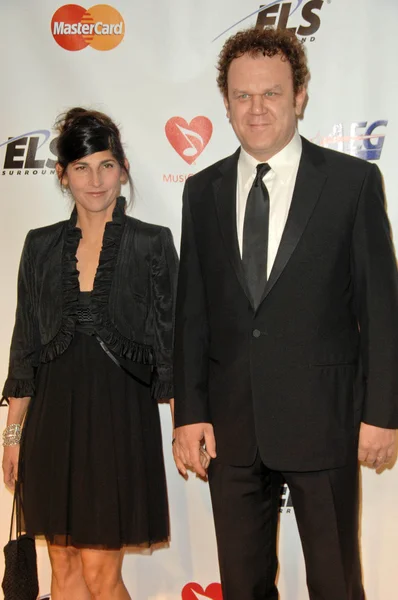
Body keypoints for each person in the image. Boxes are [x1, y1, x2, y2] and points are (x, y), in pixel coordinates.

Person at [172, 27, 398, 600]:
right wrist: (188, 412)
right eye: (242, 96)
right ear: (225, 103)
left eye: (271, 93)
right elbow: (192, 311)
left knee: (335, 584)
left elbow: (381, 309)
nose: (256, 109)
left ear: (300, 96)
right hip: (232, 430)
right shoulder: (201, 191)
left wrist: (383, 414)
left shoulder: (352, 184)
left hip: (324, 422)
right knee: (243, 587)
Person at [2, 107, 178, 600]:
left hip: (118, 423)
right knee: (63, 565)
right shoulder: (38, 247)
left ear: (122, 168)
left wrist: (187, 423)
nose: (96, 180)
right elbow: (24, 349)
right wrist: (13, 436)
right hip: (50, 426)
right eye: (81, 167)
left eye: (106, 165)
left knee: (103, 575)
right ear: (62, 175)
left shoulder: (152, 244)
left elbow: (172, 347)